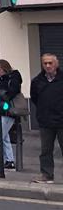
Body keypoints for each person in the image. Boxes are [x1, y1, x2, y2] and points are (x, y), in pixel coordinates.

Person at [30, 53, 63, 184]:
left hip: (62, 120)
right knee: (46, 151)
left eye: (50, 63)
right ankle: (47, 175)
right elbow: (35, 98)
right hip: (46, 121)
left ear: (56, 64)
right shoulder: (37, 81)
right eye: (45, 63)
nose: (48, 65)